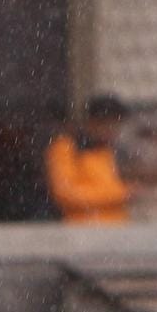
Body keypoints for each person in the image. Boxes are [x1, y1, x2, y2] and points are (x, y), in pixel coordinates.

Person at [46, 93, 132, 224]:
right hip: (82, 231)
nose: (113, 131)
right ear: (92, 123)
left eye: (117, 125)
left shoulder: (108, 151)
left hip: (116, 230)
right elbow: (66, 194)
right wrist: (123, 193)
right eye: (108, 125)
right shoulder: (66, 147)